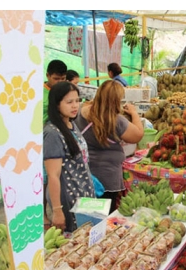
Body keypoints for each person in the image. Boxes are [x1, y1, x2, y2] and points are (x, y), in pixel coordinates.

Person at [75, 80, 144, 214]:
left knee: (88, 213)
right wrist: (134, 113)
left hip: (85, 174)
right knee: (104, 217)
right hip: (108, 177)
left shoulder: (81, 112)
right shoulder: (116, 121)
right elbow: (138, 135)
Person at [43, 81, 95, 233]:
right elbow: (53, 175)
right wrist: (57, 210)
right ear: (57, 104)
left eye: (77, 101)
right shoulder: (52, 133)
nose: (75, 106)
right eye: (69, 102)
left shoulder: (71, 125)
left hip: (83, 194)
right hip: (67, 199)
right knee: (72, 243)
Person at [43, 59, 67, 229]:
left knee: (51, 177)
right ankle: (44, 213)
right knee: (45, 178)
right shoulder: (38, 94)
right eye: (56, 79)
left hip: (56, 139)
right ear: (48, 76)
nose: (59, 82)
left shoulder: (62, 93)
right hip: (42, 139)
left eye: (63, 79)